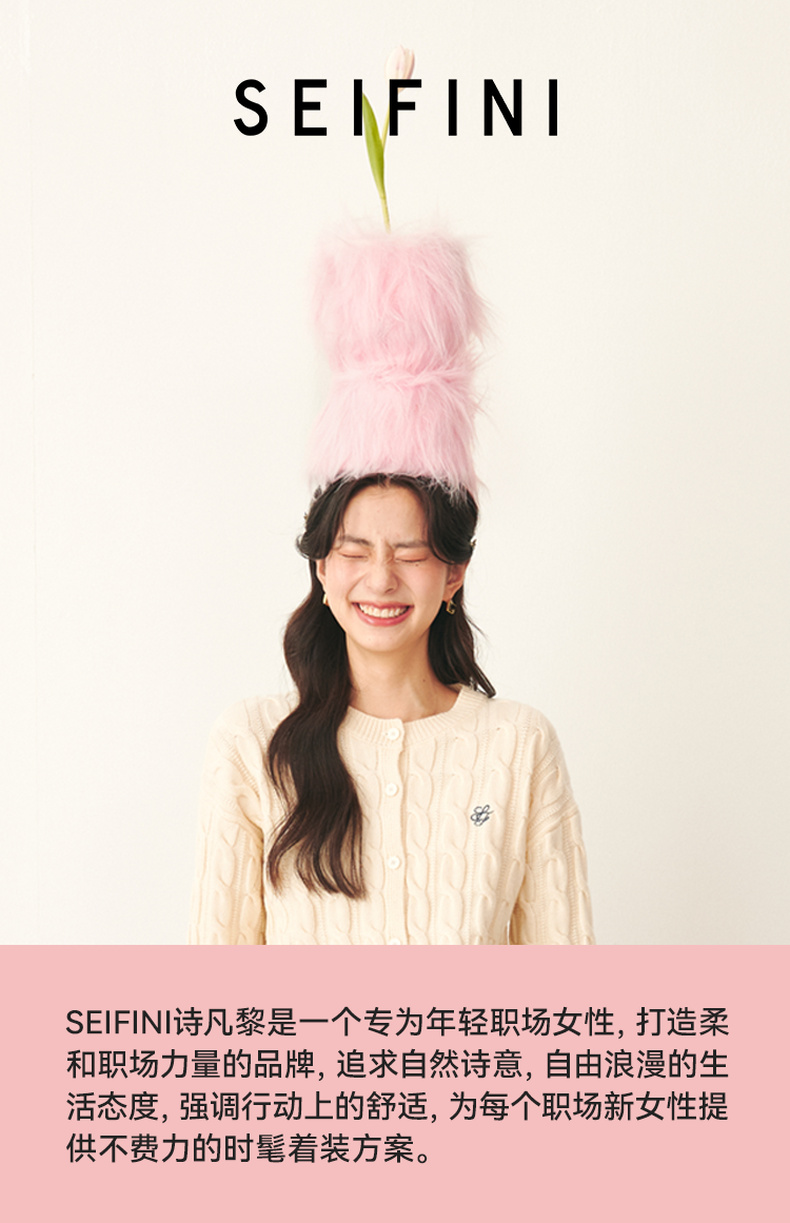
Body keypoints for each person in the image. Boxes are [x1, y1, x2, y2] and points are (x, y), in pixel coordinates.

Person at [189, 231, 594, 945]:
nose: (380, 578)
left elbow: (569, 989)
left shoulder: (518, 747)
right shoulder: (253, 745)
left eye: (410, 553)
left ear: (453, 573)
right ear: (322, 568)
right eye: (354, 551)